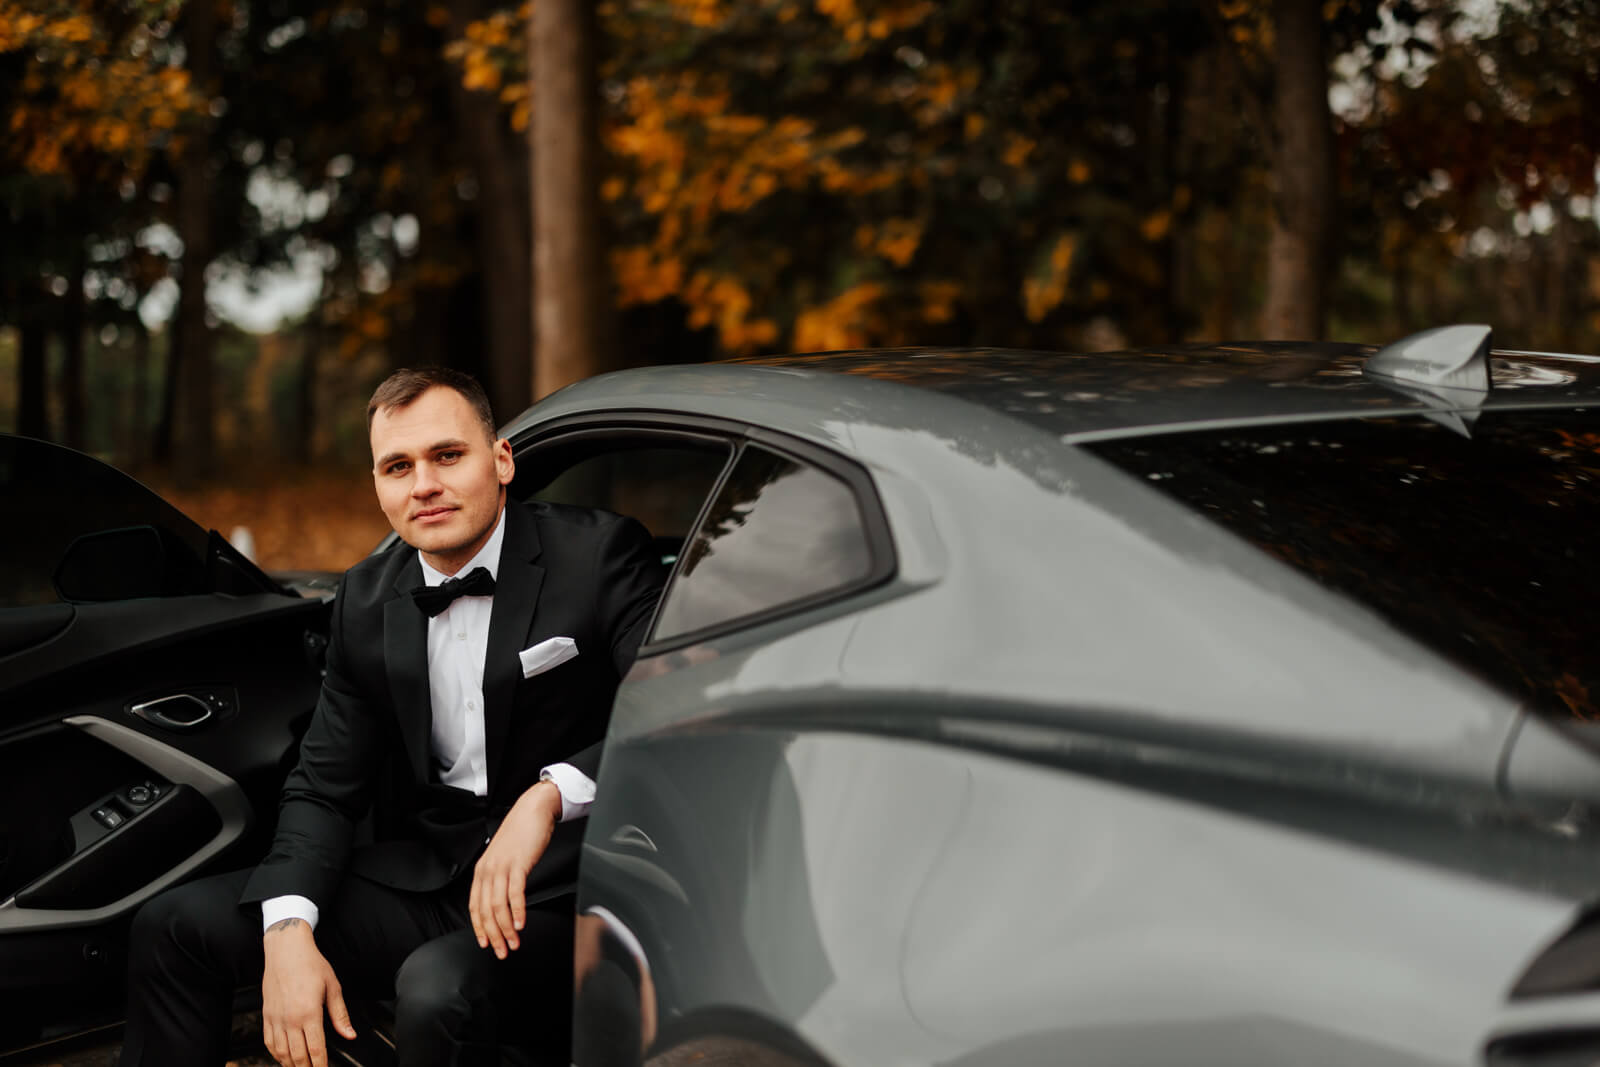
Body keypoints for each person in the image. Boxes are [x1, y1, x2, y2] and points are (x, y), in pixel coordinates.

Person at [118, 367, 666, 1067]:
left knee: (438, 988)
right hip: (434, 880)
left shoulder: (598, 555)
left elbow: (673, 702)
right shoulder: (366, 598)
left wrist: (551, 794)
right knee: (174, 926)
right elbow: (324, 784)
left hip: (574, 893)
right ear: (378, 483)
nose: (423, 485)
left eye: (447, 455)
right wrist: (288, 927)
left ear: (501, 459)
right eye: (397, 466)